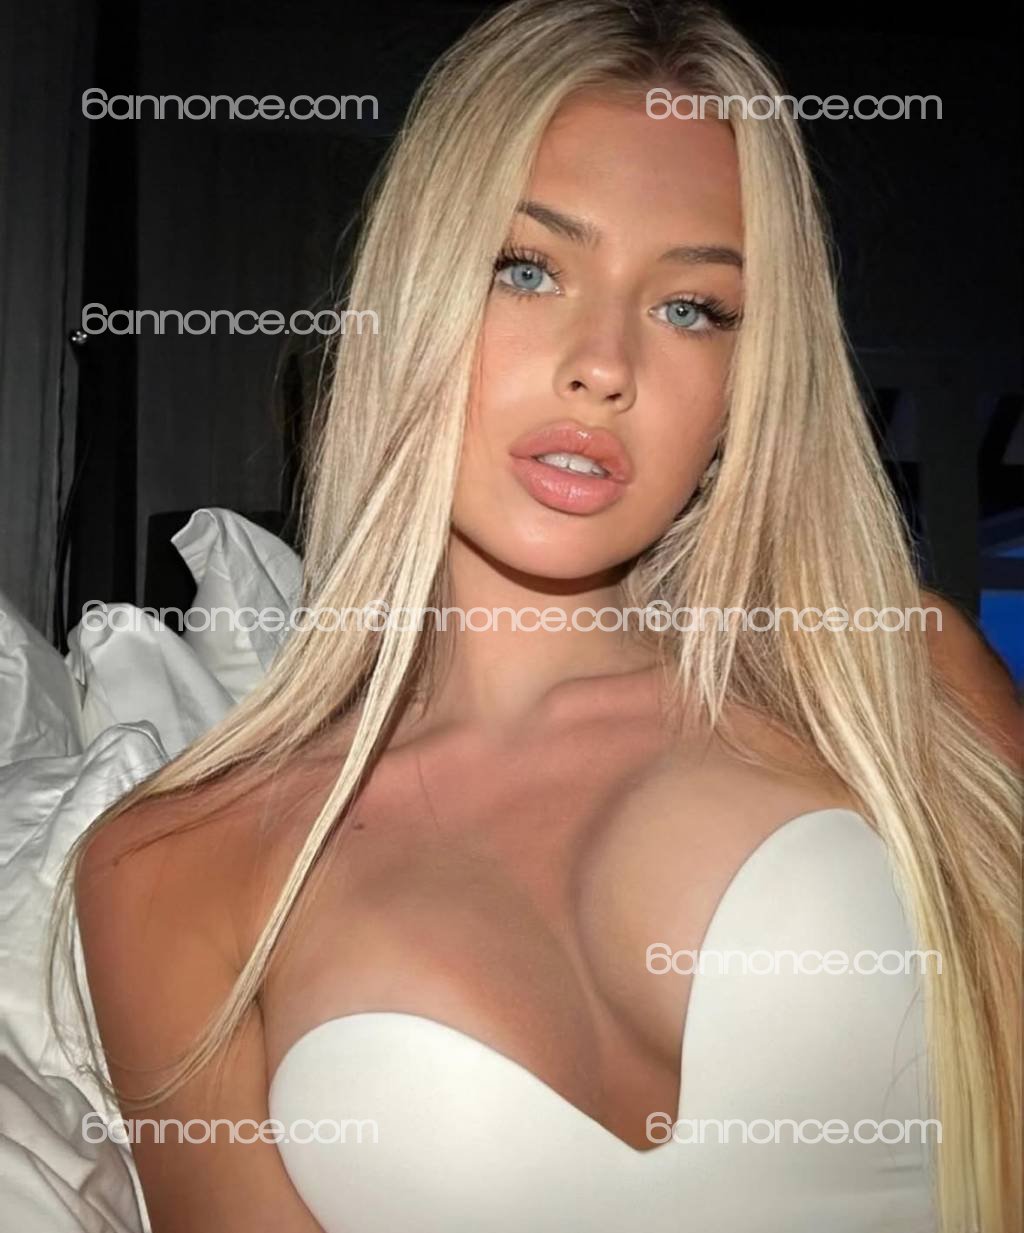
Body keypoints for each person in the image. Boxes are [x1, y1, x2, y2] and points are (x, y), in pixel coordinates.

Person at [50, 1, 1021, 1230]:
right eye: (525, 268)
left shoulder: (896, 684)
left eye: (691, 307)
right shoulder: (170, 863)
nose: (603, 364)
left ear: (747, 385)